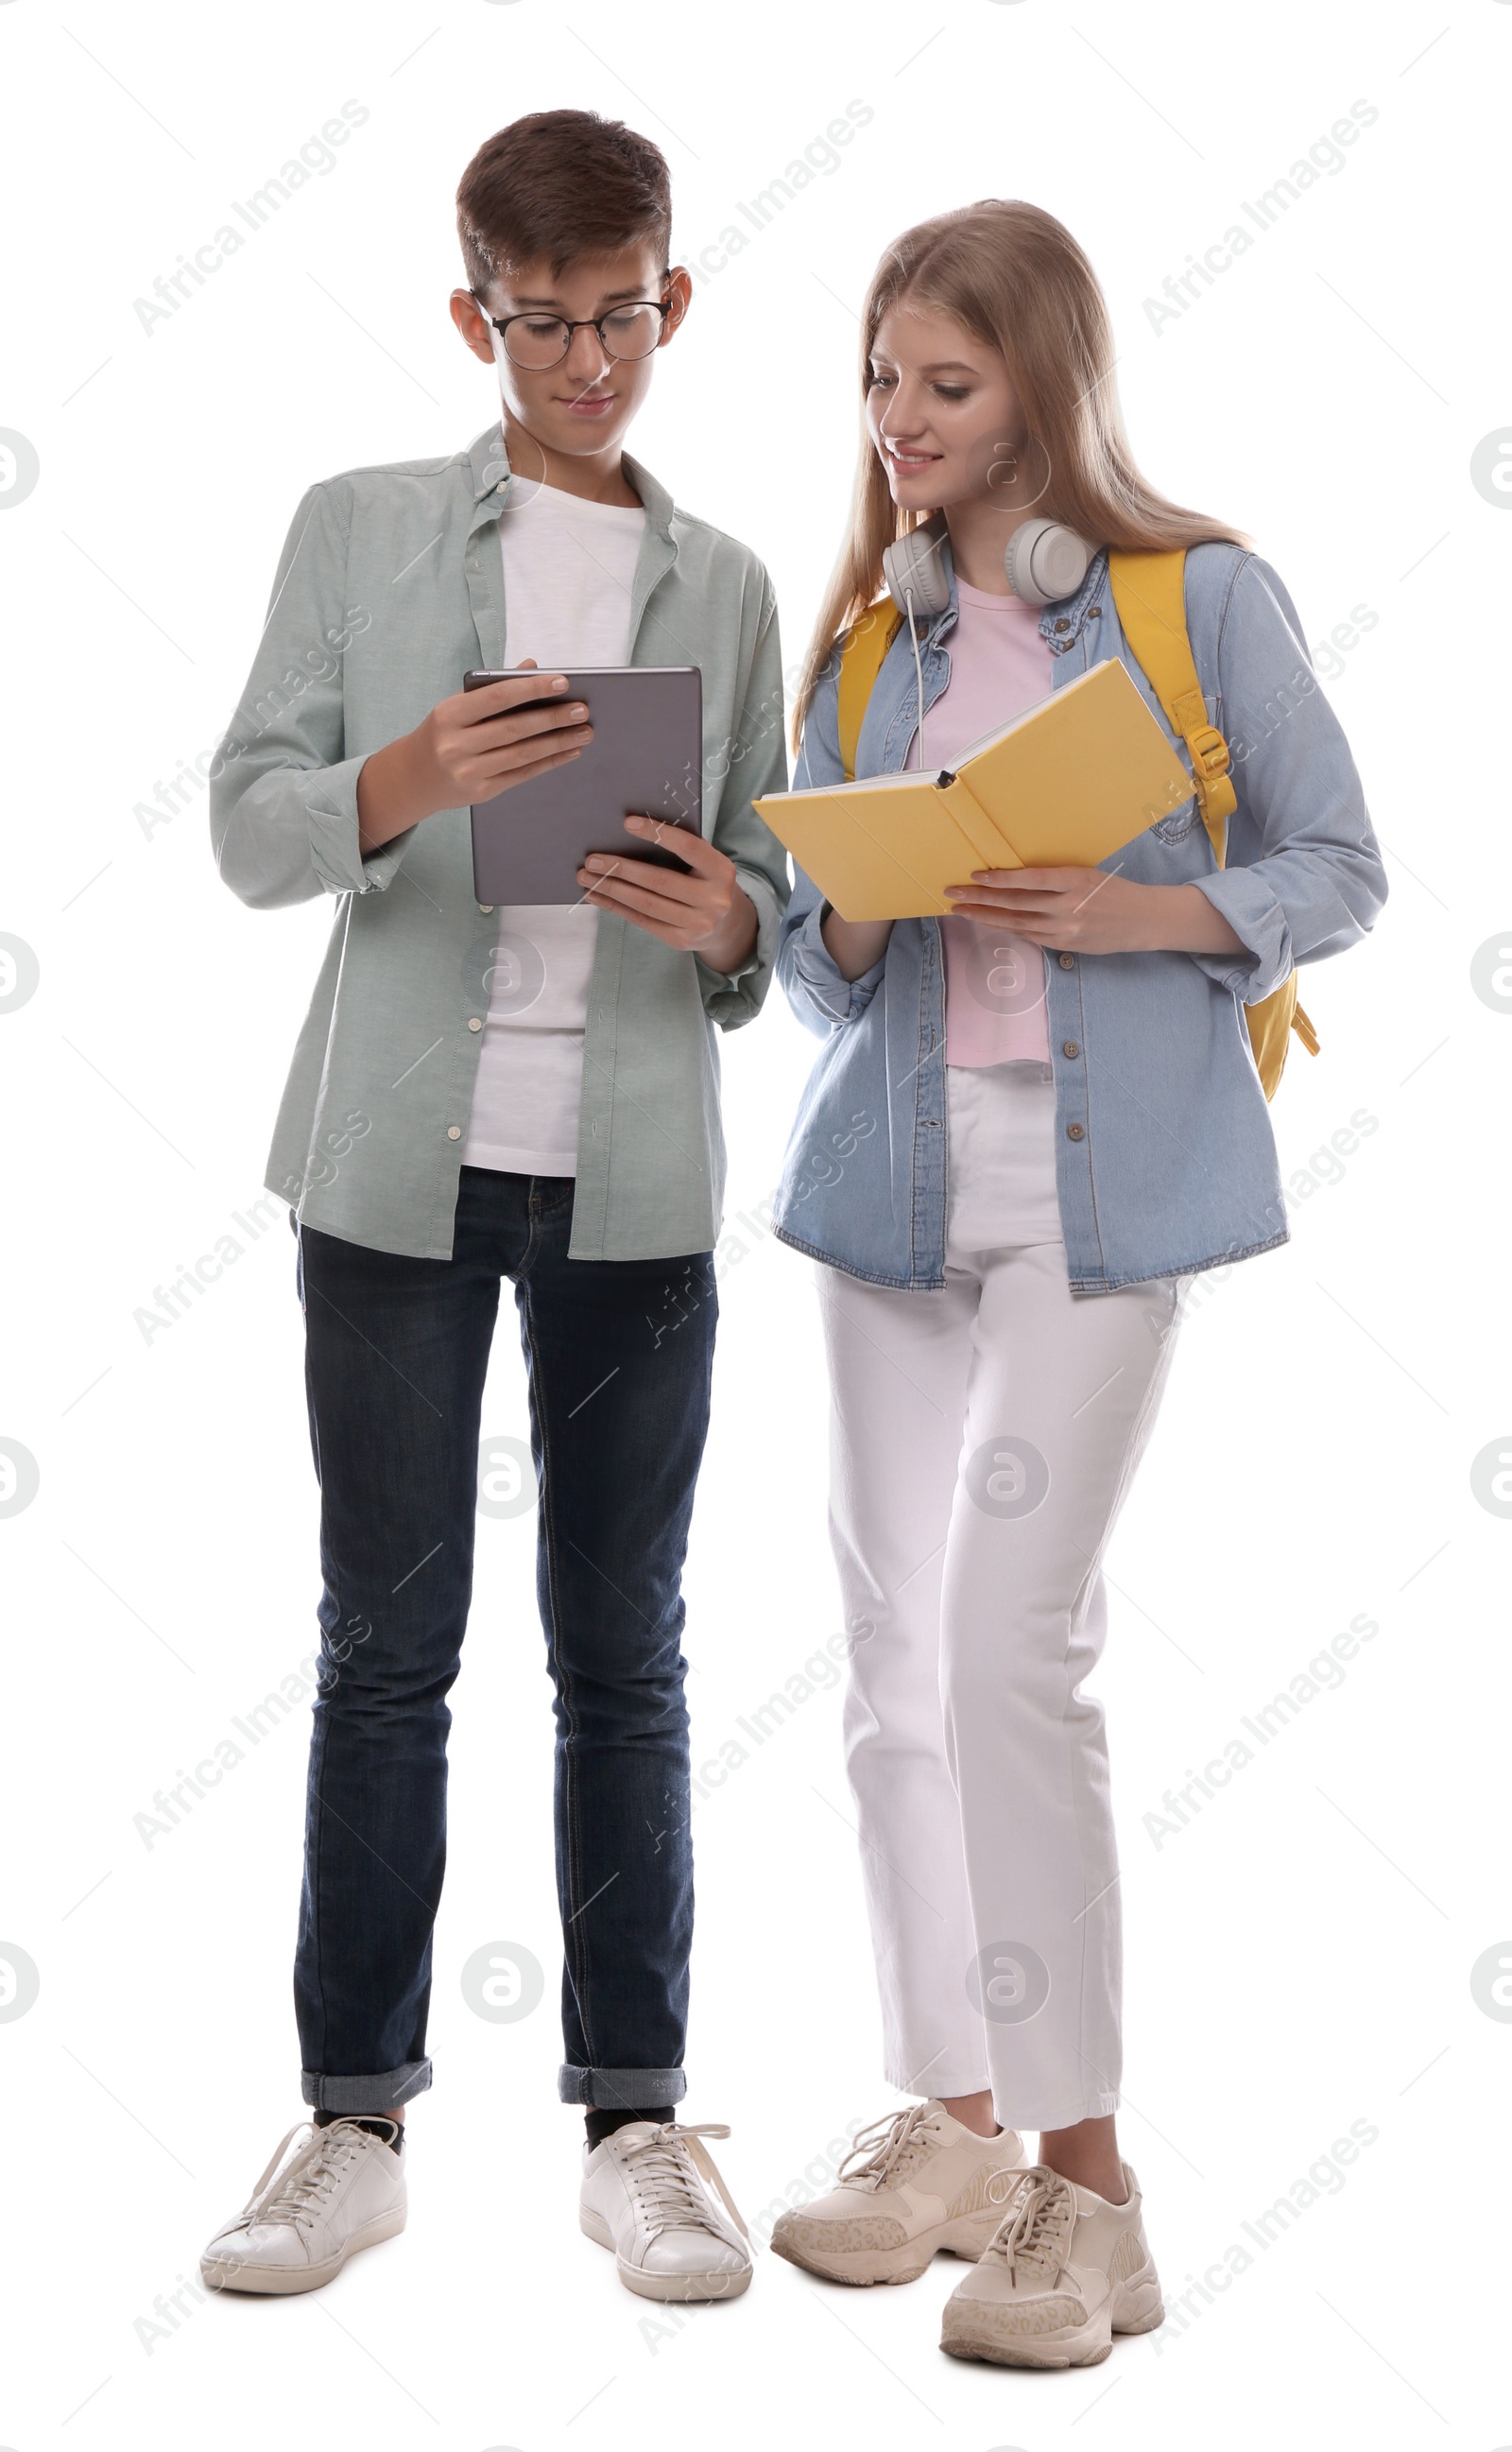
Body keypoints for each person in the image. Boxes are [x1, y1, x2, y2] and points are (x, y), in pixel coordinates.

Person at [767, 199, 1384, 2368]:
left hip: (1102, 1204)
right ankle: (947, 2116)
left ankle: (1087, 2187)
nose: (899, 422)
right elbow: (796, 969)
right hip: (888, 1197)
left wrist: (1132, 919)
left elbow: (1336, 863)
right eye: (878, 382)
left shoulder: (1196, 598)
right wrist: (854, 909)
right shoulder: (865, 644)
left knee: (1005, 1641)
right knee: (882, 1663)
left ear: (1040, 377)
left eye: (943, 383)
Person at [199, 109, 787, 2304]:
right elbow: (250, 823)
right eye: (535, 320)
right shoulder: (354, 530)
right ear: (473, 314)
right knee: (384, 1649)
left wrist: (727, 910)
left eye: (615, 313)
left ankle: (637, 2123)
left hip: (634, 1173)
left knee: (622, 1657)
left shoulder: (722, 583)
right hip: (387, 1170)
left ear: (669, 299)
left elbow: (771, 906)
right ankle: (350, 2123)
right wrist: (401, 777)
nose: (580, 358)